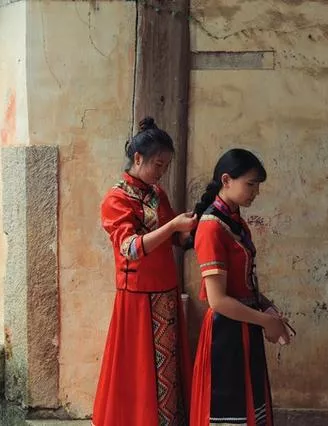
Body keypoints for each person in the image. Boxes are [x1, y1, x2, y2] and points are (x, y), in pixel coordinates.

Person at [92, 117, 196, 426]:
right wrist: (173, 226)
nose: (162, 171)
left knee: (168, 367)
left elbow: (175, 239)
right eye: (158, 164)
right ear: (138, 158)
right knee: (138, 369)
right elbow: (131, 248)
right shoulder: (116, 199)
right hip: (137, 297)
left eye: (166, 166)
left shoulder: (157, 195)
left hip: (165, 291)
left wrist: (193, 228)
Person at [190, 148, 292, 426]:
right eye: (251, 184)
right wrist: (266, 321)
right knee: (229, 411)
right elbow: (218, 301)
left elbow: (245, 283)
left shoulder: (236, 223)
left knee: (251, 407)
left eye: (258, 185)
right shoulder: (211, 227)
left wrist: (268, 308)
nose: (256, 192)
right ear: (226, 180)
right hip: (226, 330)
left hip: (245, 324)